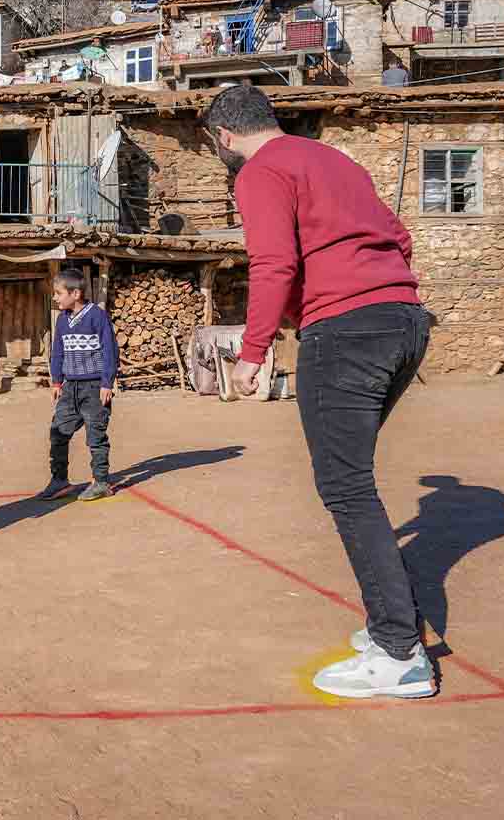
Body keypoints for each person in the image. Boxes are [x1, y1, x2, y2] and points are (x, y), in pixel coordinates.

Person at [205, 84, 435, 699]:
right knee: (352, 477)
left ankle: (399, 652)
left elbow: (272, 261)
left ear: (224, 137)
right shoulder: (334, 159)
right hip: (405, 321)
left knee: (346, 486)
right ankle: (391, 625)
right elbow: (399, 235)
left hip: (345, 332)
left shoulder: (259, 172)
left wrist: (253, 353)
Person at [38, 268, 118, 503]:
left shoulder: (97, 316)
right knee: (58, 432)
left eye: (58, 293)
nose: (55, 297)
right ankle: (59, 480)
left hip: (94, 387)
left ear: (75, 293)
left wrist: (107, 383)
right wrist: (56, 381)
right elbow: (58, 352)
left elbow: (109, 350)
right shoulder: (62, 320)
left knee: (96, 435)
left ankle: (101, 481)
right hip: (70, 387)